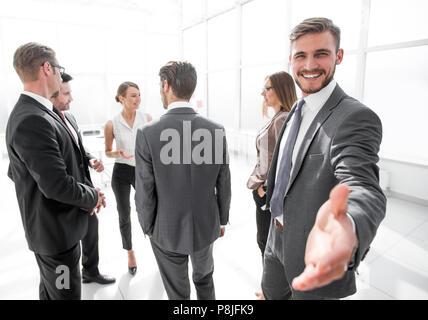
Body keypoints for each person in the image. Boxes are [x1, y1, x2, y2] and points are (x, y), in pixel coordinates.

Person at [261, 17, 387, 300]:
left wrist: (349, 226)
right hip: (275, 237)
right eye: (301, 56)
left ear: (339, 56)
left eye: (321, 54)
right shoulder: (297, 108)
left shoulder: (354, 117)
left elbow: (362, 185)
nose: (309, 65)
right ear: (290, 59)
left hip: (312, 252)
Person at [6, 42, 105, 300]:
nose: (61, 76)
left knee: (52, 294)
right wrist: (92, 195)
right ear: (46, 68)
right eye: (59, 69)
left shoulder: (38, 113)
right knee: (65, 295)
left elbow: (17, 170)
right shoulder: (33, 119)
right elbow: (56, 185)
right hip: (56, 237)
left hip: (54, 232)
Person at [135, 61, 231, 300]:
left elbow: (144, 189)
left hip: (165, 229)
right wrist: (222, 219)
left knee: (178, 294)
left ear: (166, 85)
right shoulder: (216, 130)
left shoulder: (147, 133)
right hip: (206, 224)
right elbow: (224, 181)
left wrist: (147, 225)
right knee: (205, 279)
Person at [50, 72, 115, 285]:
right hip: (66, 192)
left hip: (83, 188)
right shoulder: (43, 122)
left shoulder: (69, 117)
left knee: (91, 228)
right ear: (52, 94)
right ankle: (72, 277)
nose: (71, 98)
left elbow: (77, 146)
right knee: (68, 243)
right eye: (66, 93)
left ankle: (90, 271)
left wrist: (90, 159)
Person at [247, 71, 297, 299]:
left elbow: (287, 163)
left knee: (268, 245)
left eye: (267, 88)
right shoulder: (277, 118)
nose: (263, 93)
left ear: (281, 90)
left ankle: (272, 291)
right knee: (265, 243)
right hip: (263, 191)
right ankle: (270, 288)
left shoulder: (284, 120)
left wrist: (265, 189)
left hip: (269, 194)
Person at [104, 82, 152, 275]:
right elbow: (108, 152)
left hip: (142, 171)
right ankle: (130, 251)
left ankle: (159, 247)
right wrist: (118, 152)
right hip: (122, 172)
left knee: (148, 208)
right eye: (133, 95)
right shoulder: (111, 123)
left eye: (139, 95)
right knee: (124, 213)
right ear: (121, 98)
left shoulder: (147, 119)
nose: (138, 99)